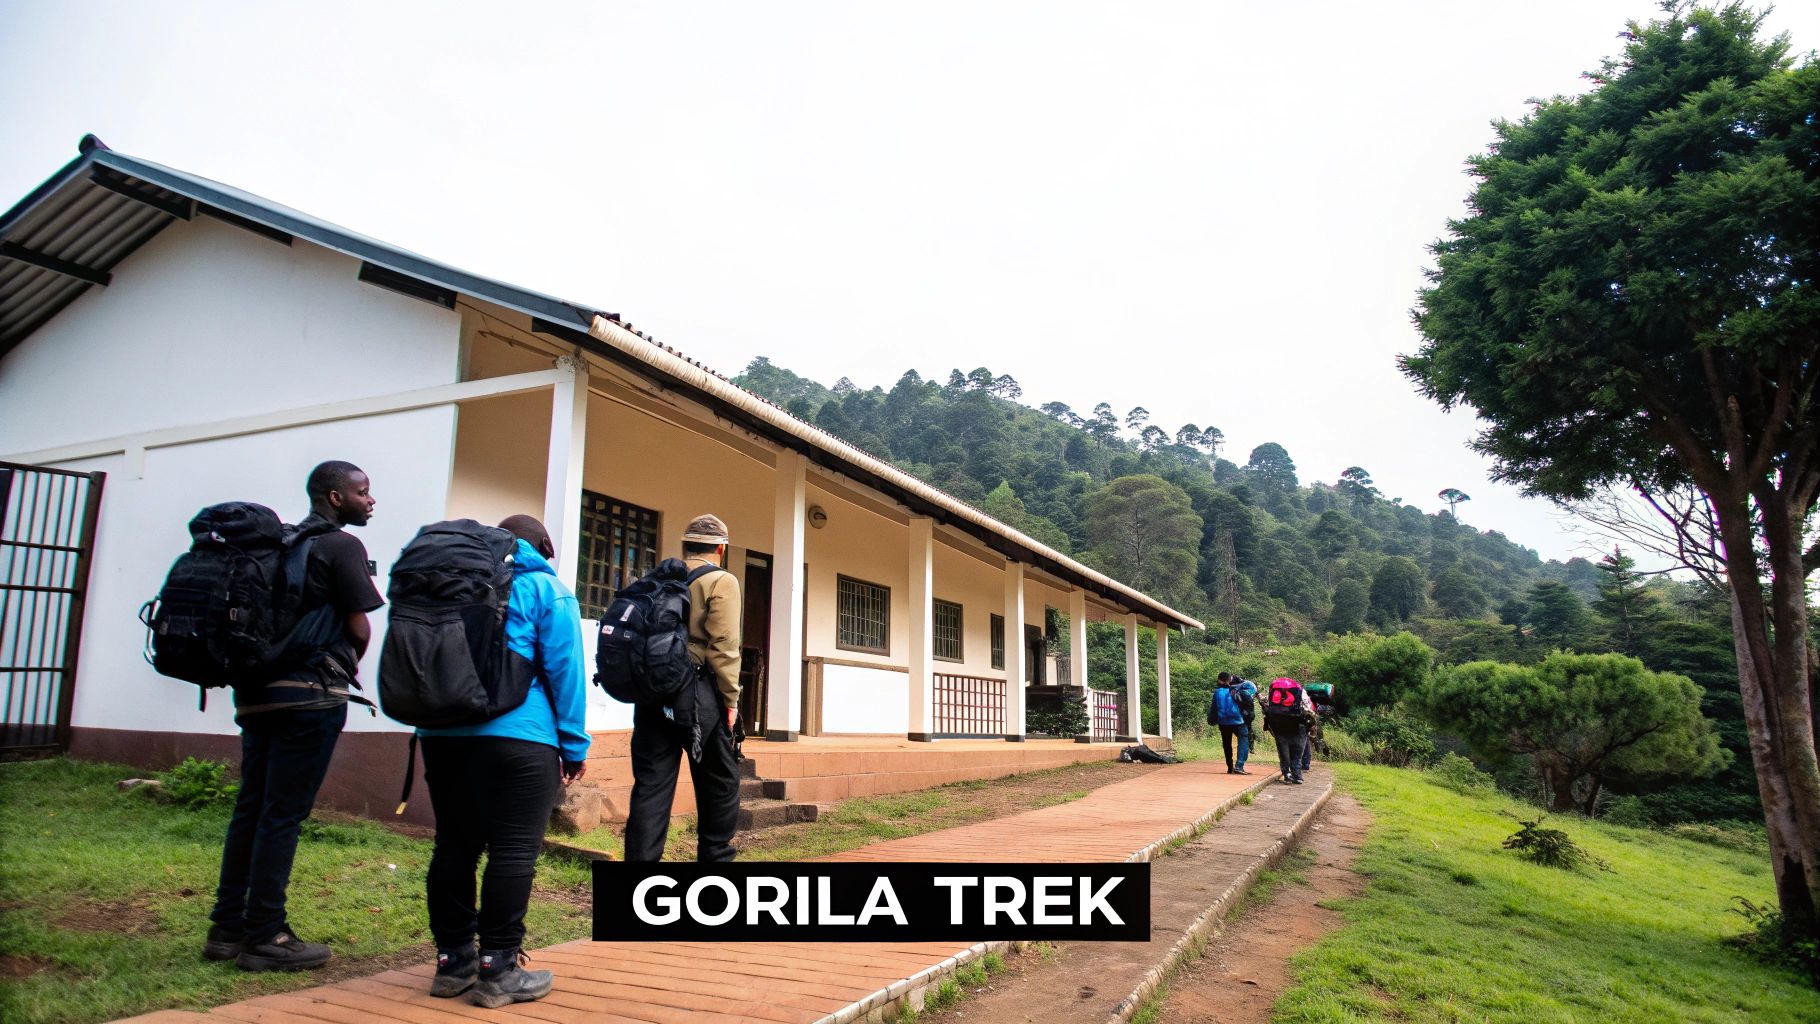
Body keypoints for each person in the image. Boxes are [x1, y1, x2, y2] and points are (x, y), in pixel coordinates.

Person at [205, 461, 381, 971]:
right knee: (283, 814)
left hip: (255, 695)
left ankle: (226, 929)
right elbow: (361, 627)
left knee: (252, 808)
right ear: (333, 496)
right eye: (362, 492)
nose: (371, 500)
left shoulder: (276, 542)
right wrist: (343, 664)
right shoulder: (341, 547)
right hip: (308, 696)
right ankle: (266, 935)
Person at [414, 514, 590, 1006]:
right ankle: (498, 970)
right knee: (513, 851)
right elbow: (565, 669)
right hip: (520, 736)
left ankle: (453, 964)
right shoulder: (544, 588)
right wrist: (574, 745)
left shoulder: (445, 582)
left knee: (454, 845)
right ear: (542, 546)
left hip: (442, 734)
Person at [624, 513, 744, 862]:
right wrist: (730, 701)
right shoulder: (722, 581)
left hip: (651, 694)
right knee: (720, 783)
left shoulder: (657, 579)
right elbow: (724, 646)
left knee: (651, 788)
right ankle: (715, 872)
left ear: (685, 545)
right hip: (698, 694)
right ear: (721, 548)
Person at [1264, 677, 1311, 785]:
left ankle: (1287, 774)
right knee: (1297, 752)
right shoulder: (1300, 691)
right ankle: (1297, 775)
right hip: (1298, 725)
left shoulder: (1274, 692)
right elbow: (1307, 706)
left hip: (1279, 725)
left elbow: (1267, 706)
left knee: (1283, 751)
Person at [1208, 675, 1249, 774]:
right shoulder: (1237, 690)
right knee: (1243, 739)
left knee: (1226, 744)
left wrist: (1212, 720)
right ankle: (1239, 766)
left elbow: (1214, 708)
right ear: (1229, 680)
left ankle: (1230, 767)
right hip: (1238, 721)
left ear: (1219, 680)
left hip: (1223, 721)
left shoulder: (1217, 692)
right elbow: (1245, 704)